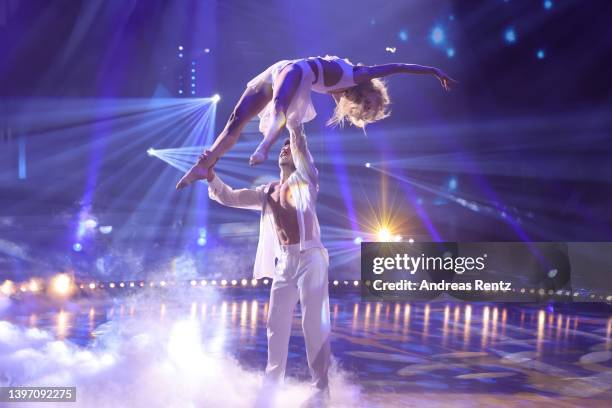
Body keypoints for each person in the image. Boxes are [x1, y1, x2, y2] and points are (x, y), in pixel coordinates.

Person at [175, 55, 456, 189]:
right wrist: (433, 70)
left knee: (280, 106)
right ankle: (205, 165)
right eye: (371, 102)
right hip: (287, 69)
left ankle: (262, 146)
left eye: (366, 108)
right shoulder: (360, 73)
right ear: (374, 90)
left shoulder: (342, 90)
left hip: (295, 74)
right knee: (235, 120)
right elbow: (398, 66)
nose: (366, 104)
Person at [203, 124, 331, 399]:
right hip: (285, 262)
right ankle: (272, 387)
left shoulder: (307, 179)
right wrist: (210, 176)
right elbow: (229, 197)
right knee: (275, 324)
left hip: (312, 258)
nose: (286, 148)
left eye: (290, 146)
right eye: (282, 146)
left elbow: (301, 144)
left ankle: (321, 390)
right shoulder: (267, 191)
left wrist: (294, 122)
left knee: (313, 325)